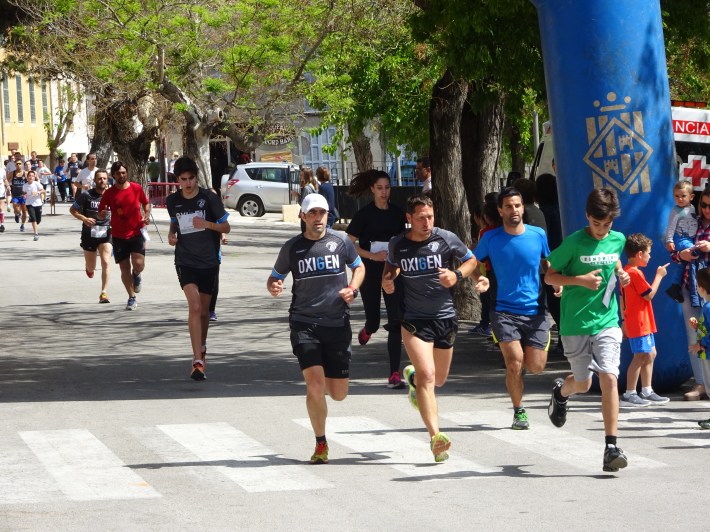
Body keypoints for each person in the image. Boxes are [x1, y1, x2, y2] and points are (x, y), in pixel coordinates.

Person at [383, 194, 488, 462]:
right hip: (414, 319)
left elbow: (471, 260)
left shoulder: (445, 238)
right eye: (421, 218)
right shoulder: (398, 244)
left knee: (438, 380)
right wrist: (388, 281)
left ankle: (414, 382)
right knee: (428, 376)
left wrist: (458, 275)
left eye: (430, 217)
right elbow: (390, 268)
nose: (427, 222)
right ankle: (435, 438)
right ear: (409, 218)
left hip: (445, 318)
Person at [267, 193, 365, 464]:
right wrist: (274, 286)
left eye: (322, 213)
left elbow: (359, 268)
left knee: (339, 394)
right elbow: (274, 277)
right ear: (303, 216)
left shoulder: (341, 241)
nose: (318, 218)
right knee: (314, 385)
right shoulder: (292, 248)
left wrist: (353, 288)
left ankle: (325, 395)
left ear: (327, 215)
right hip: (304, 323)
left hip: (337, 323)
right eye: (312, 213)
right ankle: (321, 443)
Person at [544, 188, 631, 472]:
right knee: (583, 384)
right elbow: (550, 276)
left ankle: (611, 447)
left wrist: (621, 273)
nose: (601, 230)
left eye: (607, 224)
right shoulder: (574, 243)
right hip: (575, 322)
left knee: (609, 377)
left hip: (607, 320)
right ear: (587, 216)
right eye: (596, 224)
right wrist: (579, 280)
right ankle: (561, 393)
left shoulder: (617, 239)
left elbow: (614, 259)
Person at [474, 187, 557, 429]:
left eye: (517, 205)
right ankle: (519, 411)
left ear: (523, 208)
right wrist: (480, 278)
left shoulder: (538, 234)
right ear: (500, 211)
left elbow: (546, 262)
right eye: (508, 206)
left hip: (535, 310)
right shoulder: (491, 238)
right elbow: (472, 262)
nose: (514, 210)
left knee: (536, 366)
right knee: (514, 362)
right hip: (502, 310)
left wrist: (556, 281)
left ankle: (549, 385)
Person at [167, 157, 231, 381]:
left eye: (191, 178)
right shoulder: (172, 200)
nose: (188, 183)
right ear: (177, 180)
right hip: (185, 260)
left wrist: (207, 224)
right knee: (194, 307)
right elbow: (174, 222)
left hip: (208, 262)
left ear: (196, 177)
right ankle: (197, 360)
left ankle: (202, 347)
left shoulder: (208, 198)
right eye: (183, 179)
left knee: (204, 311)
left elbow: (226, 227)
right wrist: (171, 234)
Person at [346, 169, 407, 388]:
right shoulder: (364, 214)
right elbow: (348, 243)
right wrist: (371, 255)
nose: (384, 192)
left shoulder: (398, 213)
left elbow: (403, 240)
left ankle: (394, 373)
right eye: (380, 188)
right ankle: (368, 329)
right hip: (370, 271)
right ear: (372, 189)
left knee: (396, 321)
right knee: (374, 320)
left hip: (392, 272)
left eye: (387, 188)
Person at [619, 233, 670, 406]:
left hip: (642, 320)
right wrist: (659, 276)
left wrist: (623, 321)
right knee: (640, 356)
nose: (650, 256)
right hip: (638, 321)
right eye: (648, 253)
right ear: (640, 254)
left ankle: (647, 390)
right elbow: (649, 295)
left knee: (650, 353)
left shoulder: (629, 272)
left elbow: (622, 298)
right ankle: (629, 393)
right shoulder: (633, 273)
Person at [672, 186, 710, 401]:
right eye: (703, 205)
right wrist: (682, 254)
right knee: (695, 333)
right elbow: (674, 251)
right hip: (692, 286)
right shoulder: (690, 221)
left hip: (708, 287)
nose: (706, 210)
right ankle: (701, 382)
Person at [98, 161, 151, 311]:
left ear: (126, 173)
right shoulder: (109, 193)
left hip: (136, 232)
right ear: (113, 175)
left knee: (139, 264)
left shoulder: (136, 188)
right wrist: (102, 214)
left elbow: (146, 203)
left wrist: (146, 214)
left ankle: (137, 274)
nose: (121, 175)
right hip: (118, 235)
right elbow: (100, 213)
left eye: (123, 172)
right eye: (118, 173)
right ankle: (131, 297)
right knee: (124, 268)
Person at [70, 169, 113, 303]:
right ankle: (89, 269)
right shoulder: (86, 195)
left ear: (107, 180)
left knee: (106, 261)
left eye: (104, 178)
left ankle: (104, 293)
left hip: (106, 232)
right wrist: (84, 219)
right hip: (89, 233)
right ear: (94, 180)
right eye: (99, 178)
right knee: (91, 266)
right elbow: (73, 210)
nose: (102, 181)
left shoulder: (112, 195)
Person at [470, 193, 502, 337]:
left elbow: (476, 258)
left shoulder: (486, 233)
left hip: (488, 270)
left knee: (490, 302)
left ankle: (493, 331)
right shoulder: (506, 231)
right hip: (500, 272)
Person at [664, 180, 697, 304]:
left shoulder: (692, 208)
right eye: (677, 196)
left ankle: (675, 286)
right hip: (681, 239)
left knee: (683, 263)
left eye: (683, 196)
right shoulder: (675, 210)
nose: (680, 199)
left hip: (690, 238)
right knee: (695, 251)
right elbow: (670, 227)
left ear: (691, 197)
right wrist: (669, 240)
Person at [689, 267, 710, 428]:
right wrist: (698, 327)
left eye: (697, 285)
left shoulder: (708, 307)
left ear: (702, 288)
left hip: (707, 353)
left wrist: (700, 344)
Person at [22, 170, 45, 241]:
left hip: (38, 203)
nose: (31, 177)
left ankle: (35, 224)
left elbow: (43, 190)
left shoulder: (37, 184)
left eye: (32, 176)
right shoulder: (25, 185)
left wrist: (38, 192)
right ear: (27, 177)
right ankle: (36, 234)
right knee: (33, 218)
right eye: (29, 176)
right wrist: (24, 195)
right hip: (29, 204)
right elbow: (24, 193)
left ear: (34, 177)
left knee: (38, 220)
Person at [9, 167, 27, 232]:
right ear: (15, 165)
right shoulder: (12, 173)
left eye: (20, 163)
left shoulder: (25, 173)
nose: (18, 165)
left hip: (23, 195)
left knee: (24, 211)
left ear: (21, 165)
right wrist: (8, 186)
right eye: (17, 164)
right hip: (15, 195)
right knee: (15, 207)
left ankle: (22, 225)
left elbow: (29, 181)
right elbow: (6, 180)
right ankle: (17, 214)